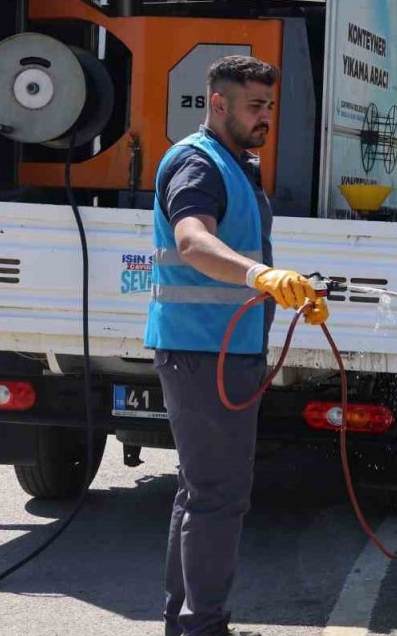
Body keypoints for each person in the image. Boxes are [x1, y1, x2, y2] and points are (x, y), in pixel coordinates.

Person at [143, 55, 328, 636]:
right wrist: (261, 278)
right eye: (254, 106)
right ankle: (203, 627)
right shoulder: (198, 164)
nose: (265, 117)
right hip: (201, 352)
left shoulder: (234, 164)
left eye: (270, 106)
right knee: (219, 495)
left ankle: (188, 623)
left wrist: (287, 290)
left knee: (202, 491)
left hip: (218, 350)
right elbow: (194, 242)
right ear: (217, 104)